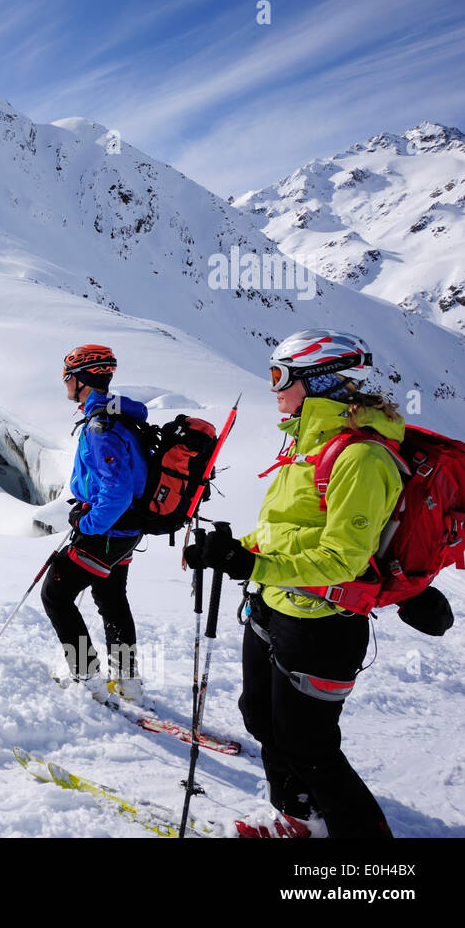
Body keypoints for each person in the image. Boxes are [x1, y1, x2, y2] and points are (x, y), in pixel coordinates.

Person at [185, 329, 399, 839]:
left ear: (319, 380)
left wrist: (251, 565)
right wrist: (234, 548)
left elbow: (342, 559)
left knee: (310, 747)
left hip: (323, 625)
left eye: (280, 376)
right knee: (260, 717)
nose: (274, 388)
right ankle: (302, 822)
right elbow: (287, 528)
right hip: (274, 608)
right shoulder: (307, 442)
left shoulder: (360, 458)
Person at [42, 345, 149, 702]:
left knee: (55, 594)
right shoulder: (118, 414)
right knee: (111, 597)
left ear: (81, 379)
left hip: (106, 531)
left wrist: (87, 524)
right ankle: (127, 681)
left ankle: (87, 679)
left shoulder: (101, 426)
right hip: (127, 530)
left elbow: (115, 492)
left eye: (66, 377)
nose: (64, 384)